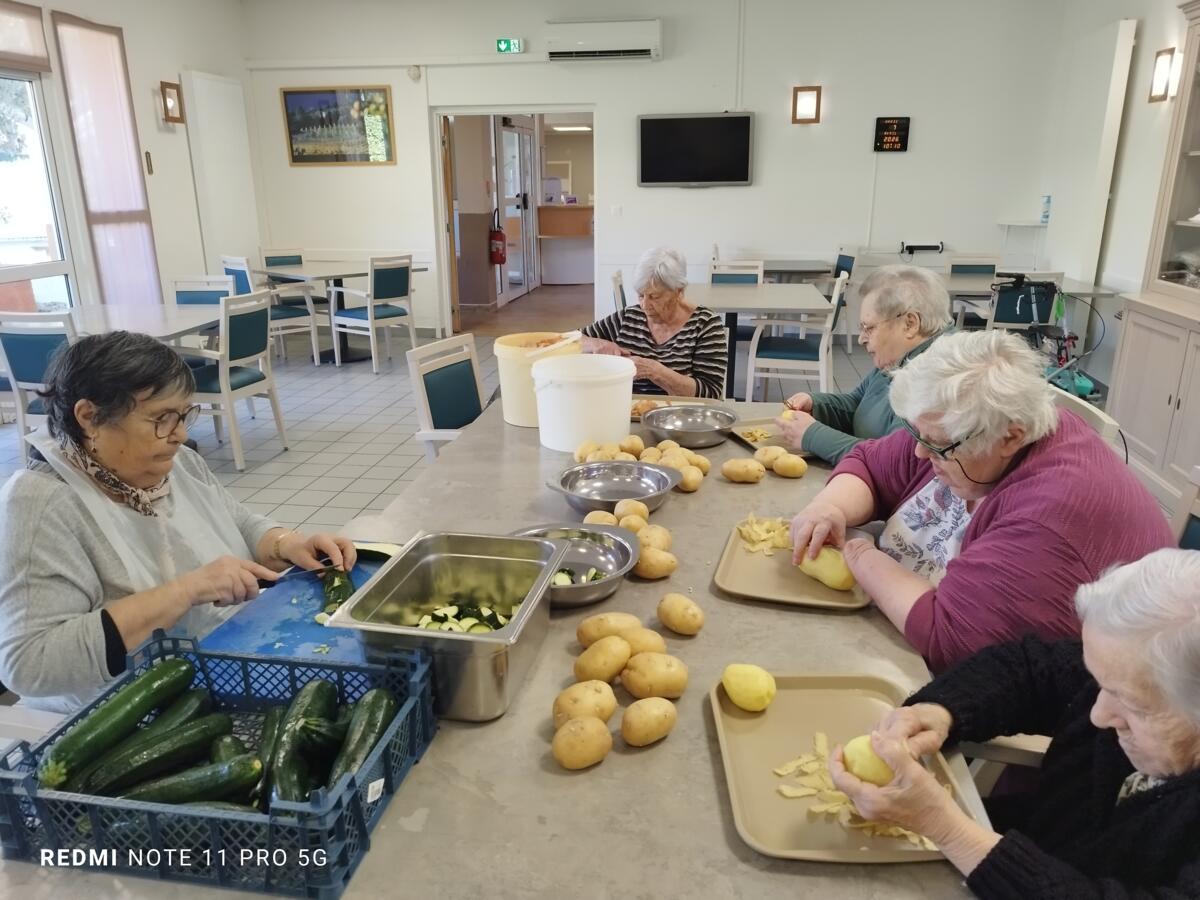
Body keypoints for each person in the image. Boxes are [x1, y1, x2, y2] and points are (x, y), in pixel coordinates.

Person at [0, 331, 356, 713]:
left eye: (183, 415)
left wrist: (284, 543)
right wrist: (185, 591)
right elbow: (28, 664)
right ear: (89, 417)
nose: (181, 434)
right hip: (128, 712)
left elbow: (235, 520)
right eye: (162, 419)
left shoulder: (177, 462)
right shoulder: (42, 503)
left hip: (218, 668)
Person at [791, 329, 1173, 672]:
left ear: (1011, 437)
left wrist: (861, 555)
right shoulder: (965, 427)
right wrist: (829, 507)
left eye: (937, 446)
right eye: (919, 436)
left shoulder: (1049, 515)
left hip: (1075, 699)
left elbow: (950, 638)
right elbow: (871, 464)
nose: (921, 453)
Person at [829, 549, 1200, 897]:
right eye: (1100, 683)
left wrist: (946, 828)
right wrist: (942, 710)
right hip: (1027, 841)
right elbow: (1029, 668)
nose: (1098, 715)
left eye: (1132, 704)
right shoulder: (1134, 666)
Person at [777, 265, 952, 465]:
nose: (861, 339)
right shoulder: (899, 358)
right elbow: (858, 404)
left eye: (869, 328)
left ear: (910, 324)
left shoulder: (938, 380)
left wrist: (813, 436)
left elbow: (895, 462)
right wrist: (816, 404)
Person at [582, 247, 727, 398]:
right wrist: (595, 343)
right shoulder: (629, 317)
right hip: (629, 409)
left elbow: (710, 394)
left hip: (681, 411)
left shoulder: (705, 325)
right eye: (640, 295)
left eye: (654, 297)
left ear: (679, 291)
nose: (644, 305)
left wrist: (655, 371)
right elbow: (570, 340)